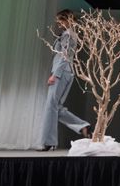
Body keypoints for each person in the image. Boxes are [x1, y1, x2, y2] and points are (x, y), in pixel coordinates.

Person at [38, 9, 90, 151]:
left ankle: (49, 142)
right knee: (55, 107)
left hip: (62, 72)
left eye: (60, 21)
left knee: (51, 106)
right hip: (66, 72)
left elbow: (64, 55)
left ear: (68, 20)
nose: (58, 24)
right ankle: (83, 127)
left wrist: (55, 74)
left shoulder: (68, 35)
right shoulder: (69, 34)